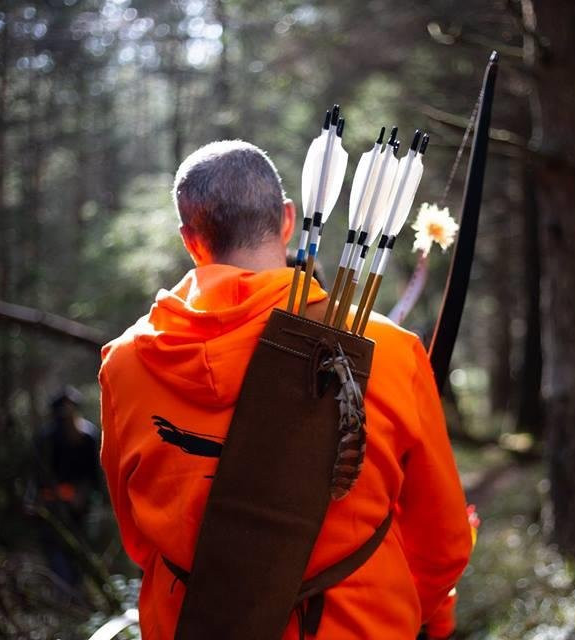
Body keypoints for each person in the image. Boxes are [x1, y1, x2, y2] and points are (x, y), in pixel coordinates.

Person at [99, 140, 472, 639]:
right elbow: (443, 543)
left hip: (193, 624)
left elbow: (139, 538)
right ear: (289, 220)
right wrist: (424, 615)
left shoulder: (125, 365)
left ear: (190, 240)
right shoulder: (387, 349)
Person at [34, 386, 100, 586]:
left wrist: (84, 496)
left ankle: (75, 592)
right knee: (56, 550)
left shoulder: (88, 435)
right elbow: (38, 472)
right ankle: (63, 592)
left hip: (79, 506)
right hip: (52, 504)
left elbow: (93, 472)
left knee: (78, 551)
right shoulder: (46, 437)